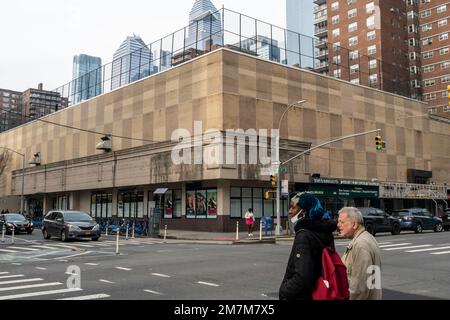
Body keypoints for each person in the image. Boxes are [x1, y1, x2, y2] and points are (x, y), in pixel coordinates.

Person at [279, 192, 337, 300]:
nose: (290, 211)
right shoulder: (325, 231)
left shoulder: (303, 235)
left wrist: (284, 291)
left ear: (304, 211)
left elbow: (303, 276)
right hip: (319, 291)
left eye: (293, 207)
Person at [337, 207, 382, 300]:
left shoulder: (361, 245)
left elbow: (359, 288)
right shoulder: (366, 238)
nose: (338, 225)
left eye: (341, 222)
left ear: (354, 224)